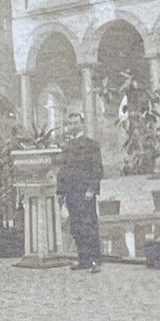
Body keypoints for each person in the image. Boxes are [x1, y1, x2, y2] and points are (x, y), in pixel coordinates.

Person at [57, 115, 104, 272]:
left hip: (85, 193)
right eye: (70, 123)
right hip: (71, 192)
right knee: (76, 227)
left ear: (82, 124)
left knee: (89, 225)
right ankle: (83, 259)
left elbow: (97, 169)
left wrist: (91, 189)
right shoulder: (67, 146)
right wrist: (61, 192)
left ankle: (95, 261)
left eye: (76, 122)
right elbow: (63, 171)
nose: (73, 125)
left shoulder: (91, 145)